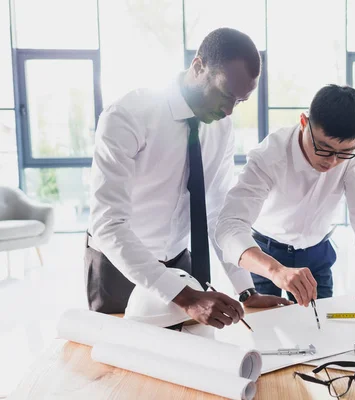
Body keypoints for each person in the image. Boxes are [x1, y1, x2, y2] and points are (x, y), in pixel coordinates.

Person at [86, 28, 290, 330]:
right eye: (225, 95)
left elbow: (217, 213)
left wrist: (246, 291)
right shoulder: (127, 115)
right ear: (198, 67)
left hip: (182, 264)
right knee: (119, 367)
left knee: (182, 363)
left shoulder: (221, 128)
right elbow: (108, 224)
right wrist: (186, 297)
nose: (229, 110)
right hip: (119, 267)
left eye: (240, 102)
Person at [215, 84, 355, 307]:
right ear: (303, 123)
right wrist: (276, 270)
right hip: (264, 252)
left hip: (317, 253)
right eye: (323, 148)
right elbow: (229, 226)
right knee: (264, 330)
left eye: (343, 153)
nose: (332, 161)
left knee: (319, 328)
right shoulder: (270, 155)